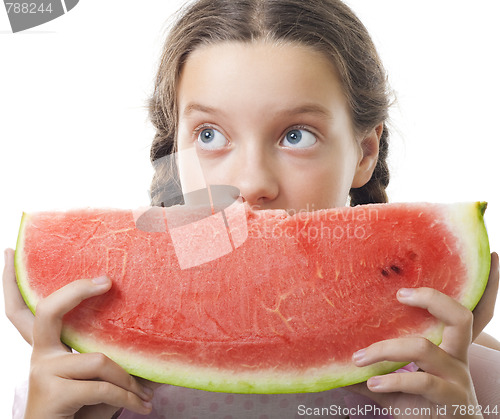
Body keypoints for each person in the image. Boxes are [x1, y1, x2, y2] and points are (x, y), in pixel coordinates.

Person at [3, 0, 500, 418]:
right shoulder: (65, 393)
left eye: (295, 135)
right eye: (210, 135)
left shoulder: (469, 391)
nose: (251, 183)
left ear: (365, 153)